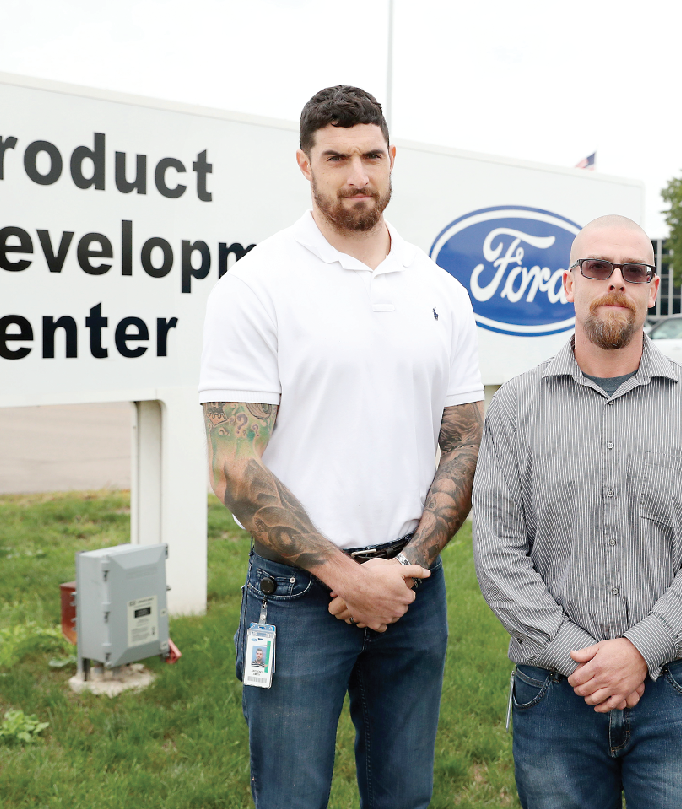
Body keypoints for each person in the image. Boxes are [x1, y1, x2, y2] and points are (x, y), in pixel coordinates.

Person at [198, 84, 483, 809]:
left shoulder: (440, 289)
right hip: (295, 595)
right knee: (290, 798)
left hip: (413, 590)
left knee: (405, 796)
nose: (356, 174)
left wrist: (405, 567)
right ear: (304, 164)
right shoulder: (256, 285)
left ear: (393, 159)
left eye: (370, 155)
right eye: (336, 157)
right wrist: (344, 576)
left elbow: (465, 440)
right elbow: (234, 468)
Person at [472, 214, 682, 809]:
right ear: (569, 284)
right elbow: (497, 553)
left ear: (653, 288)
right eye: (597, 267)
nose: (616, 281)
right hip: (553, 694)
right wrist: (578, 658)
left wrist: (640, 649)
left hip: (678, 692)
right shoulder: (515, 407)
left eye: (634, 270)